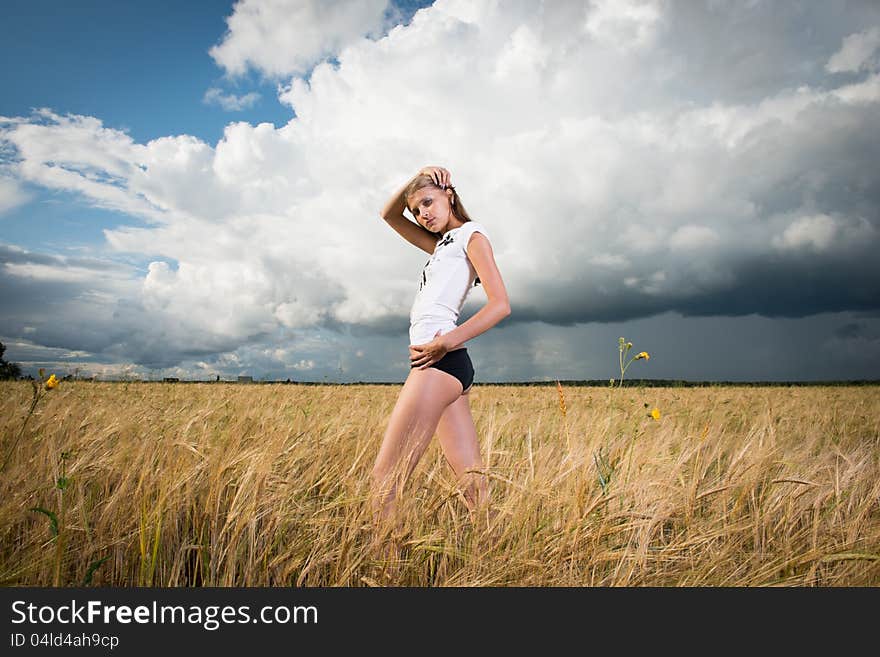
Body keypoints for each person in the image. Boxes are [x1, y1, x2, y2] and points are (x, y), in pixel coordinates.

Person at [371, 165, 510, 525]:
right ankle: (493, 556)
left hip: (439, 362)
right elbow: (388, 214)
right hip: (447, 366)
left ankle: (384, 573)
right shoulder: (440, 245)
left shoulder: (471, 236)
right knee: (473, 486)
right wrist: (415, 176)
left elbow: (500, 304)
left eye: (429, 202)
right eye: (417, 210)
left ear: (450, 194)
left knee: (385, 480)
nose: (423, 214)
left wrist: (445, 342)